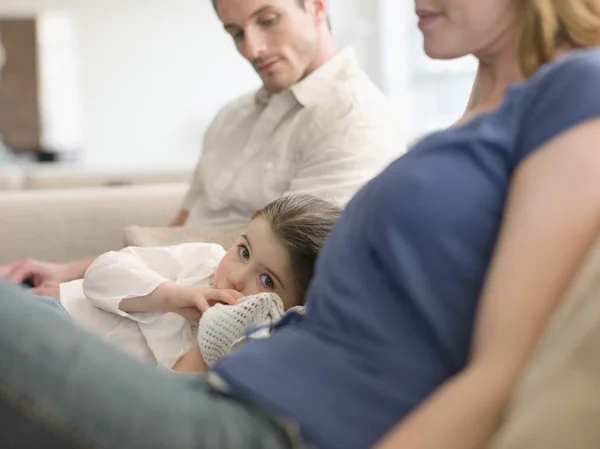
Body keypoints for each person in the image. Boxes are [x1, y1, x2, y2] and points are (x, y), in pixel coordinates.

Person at [3, 1, 600, 448]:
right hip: (241, 382)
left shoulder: (579, 88)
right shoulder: (486, 113)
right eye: (235, 30)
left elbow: (506, 370)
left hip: (280, 421)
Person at [1, 0, 402, 290]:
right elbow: (180, 227)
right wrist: (81, 273)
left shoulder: (354, 118)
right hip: (151, 288)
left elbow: (295, 263)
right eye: (236, 32)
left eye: (268, 20)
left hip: (206, 311)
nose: (253, 49)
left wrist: (83, 278)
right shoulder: (233, 115)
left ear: (316, 7)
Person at [56, 195, 339, 370]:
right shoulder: (204, 261)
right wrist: (169, 295)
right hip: (59, 314)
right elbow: (99, 274)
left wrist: (209, 351)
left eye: (267, 280)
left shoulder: (243, 357)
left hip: (74, 367)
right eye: (244, 251)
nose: (236, 277)